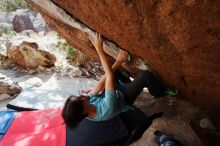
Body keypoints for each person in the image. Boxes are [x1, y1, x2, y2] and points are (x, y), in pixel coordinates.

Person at [62, 33, 166, 129]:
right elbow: (109, 77)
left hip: (115, 93)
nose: (83, 95)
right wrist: (100, 50)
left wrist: (117, 62)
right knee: (145, 75)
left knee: (110, 68)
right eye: (80, 98)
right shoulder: (106, 110)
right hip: (123, 99)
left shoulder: (86, 105)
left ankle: (128, 83)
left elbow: (100, 84)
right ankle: (160, 94)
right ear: (84, 111)